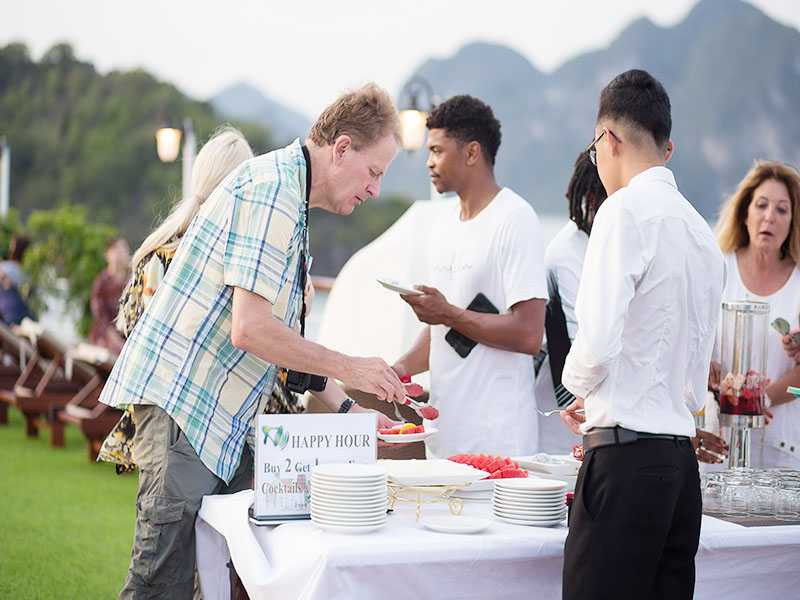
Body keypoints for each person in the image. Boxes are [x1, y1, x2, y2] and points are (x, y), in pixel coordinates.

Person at [98, 84, 407, 599]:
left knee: (234, 573)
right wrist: (351, 366)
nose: (375, 189)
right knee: (162, 582)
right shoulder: (273, 192)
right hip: (185, 407)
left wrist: (354, 412)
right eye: (374, 172)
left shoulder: (290, 195)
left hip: (214, 418)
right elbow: (252, 329)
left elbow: (284, 350)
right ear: (342, 148)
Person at [559, 69, 724, 599]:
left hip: (624, 463)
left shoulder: (623, 210)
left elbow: (597, 343)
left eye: (595, 151)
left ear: (607, 139)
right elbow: (693, 373)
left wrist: (576, 387)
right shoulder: (703, 234)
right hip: (680, 470)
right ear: (665, 145)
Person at [392, 95, 547, 459]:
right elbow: (444, 329)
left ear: (472, 152)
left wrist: (447, 313)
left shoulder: (515, 218)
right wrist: (398, 369)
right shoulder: (443, 223)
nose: (429, 162)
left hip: (499, 440)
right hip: (442, 436)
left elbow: (528, 333)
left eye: (437, 150)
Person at [99, 126, 256, 474]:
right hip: (211, 418)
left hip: (160, 411)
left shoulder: (159, 251)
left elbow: (133, 328)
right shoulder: (235, 260)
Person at [713, 160, 800, 468]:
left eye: (782, 210)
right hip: (717, 443)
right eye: (761, 205)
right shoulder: (716, 267)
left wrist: (764, 400)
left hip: (782, 450)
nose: (769, 216)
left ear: (793, 221)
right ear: (744, 212)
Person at [534, 150, 607, 453]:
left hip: (598, 414)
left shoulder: (610, 245)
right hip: (566, 415)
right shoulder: (566, 252)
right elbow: (587, 341)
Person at [89, 236, 130, 354]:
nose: (121, 254)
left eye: (124, 250)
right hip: (106, 336)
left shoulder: (132, 280)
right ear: (108, 254)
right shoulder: (101, 282)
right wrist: (114, 338)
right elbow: (100, 316)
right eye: (117, 250)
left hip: (126, 335)